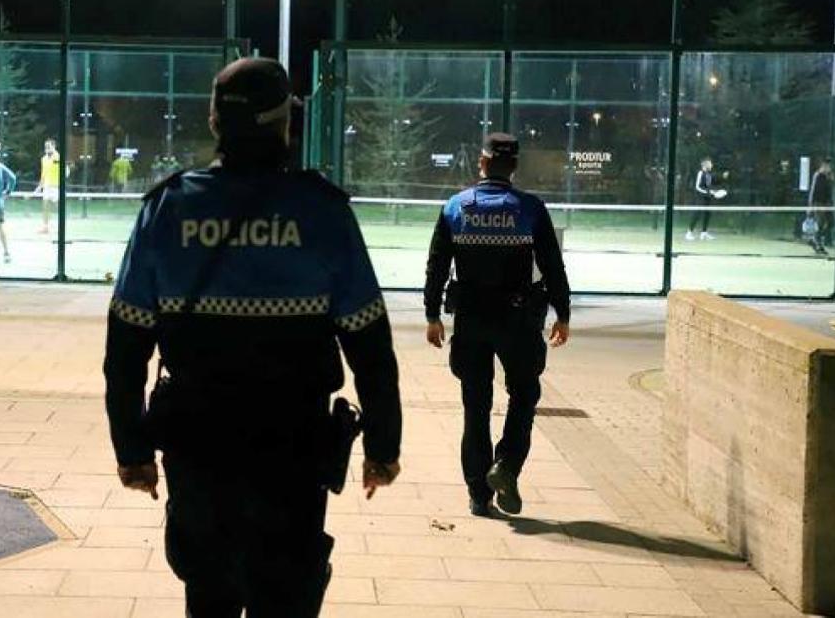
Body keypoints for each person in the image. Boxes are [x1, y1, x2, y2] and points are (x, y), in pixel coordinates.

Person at [104, 57, 403, 616]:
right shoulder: (323, 212)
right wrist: (383, 447)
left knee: (209, 594)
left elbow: (125, 349)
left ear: (215, 122)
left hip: (198, 446)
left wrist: (133, 450)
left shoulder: (167, 209)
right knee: (286, 595)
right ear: (286, 123)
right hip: (292, 450)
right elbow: (371, 346)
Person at [423, 133, 571, 518]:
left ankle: (478, 495)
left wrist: (432, 315)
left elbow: (437, 265)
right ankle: (505, 466)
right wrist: (563, 312)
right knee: (524, 395)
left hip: (471, 320)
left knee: (476, 406)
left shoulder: (457, 207)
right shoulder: (530, 209)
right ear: (514, 168)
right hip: (518, 321)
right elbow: (553, 265)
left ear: (482, 163)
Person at [686, 157, 719, 241]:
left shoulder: (709, 174)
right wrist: (708, 192)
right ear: (705, 165)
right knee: (697, 214)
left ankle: (704, 233)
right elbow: (698, 187)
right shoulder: (701, 173)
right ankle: (689, 233)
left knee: (707, 215)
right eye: (710, 163)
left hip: (707, 198)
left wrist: (713, 192)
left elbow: (708, 187)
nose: (711, 165)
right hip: (700, 198)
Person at [807, 159, 835, 256]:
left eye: (829, 165)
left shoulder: (829, 176)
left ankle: (814, 239)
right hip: (818, 203)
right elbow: (813, 191)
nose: (828, 167)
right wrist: (811, 206)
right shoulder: (818, 176)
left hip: (827, 204)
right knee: (820, 223)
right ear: (822, 165)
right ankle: (818, 244)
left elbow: (829, 191)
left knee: (831, 223)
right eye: (826, 165)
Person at [34, 139, 62, 234]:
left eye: (49, 146)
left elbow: (61, 169)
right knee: (45, 206)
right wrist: (40, 186)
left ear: (54, 147)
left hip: (56, 186)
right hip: (47, 185)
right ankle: (45, 227)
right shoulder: (44, 159)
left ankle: (62, 226)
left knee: (58, 206)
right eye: (46, 146)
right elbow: (43, 173)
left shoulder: (58, 157)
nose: (47, 148)